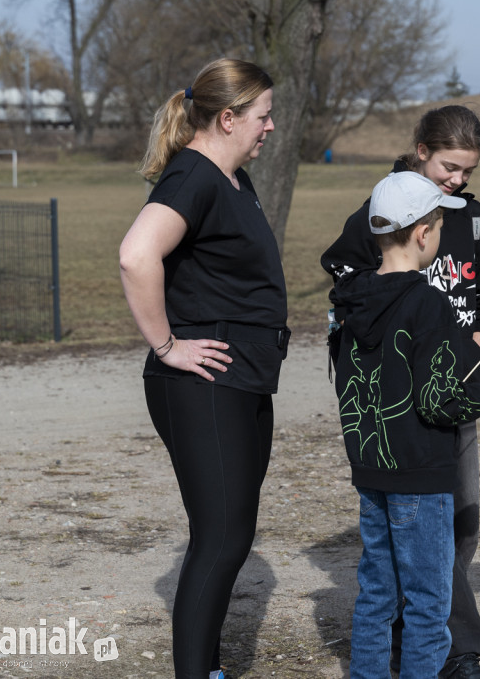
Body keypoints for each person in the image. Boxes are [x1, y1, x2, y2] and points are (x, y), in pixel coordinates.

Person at [119, 58, 290, 679]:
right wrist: (167, 346)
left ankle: (209, 668)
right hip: (202, 383)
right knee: (221, 537)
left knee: (230, 534)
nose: (270, 126)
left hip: (242, 378)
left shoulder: (232, 178)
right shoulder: (192, 175)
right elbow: (137, 256)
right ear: (227, 117)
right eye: (263, 115)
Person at [321, 105, 480, 678]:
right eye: (450, 167)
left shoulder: (471, 219)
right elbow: (347, 288)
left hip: (404, 424)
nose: (458, 181)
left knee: (456, 526)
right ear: (421, 149)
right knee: (423, 565)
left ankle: (454, 650)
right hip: (420, 418)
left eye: (467, 172)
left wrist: (474, 333)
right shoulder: (380, 218)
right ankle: (432, 651)